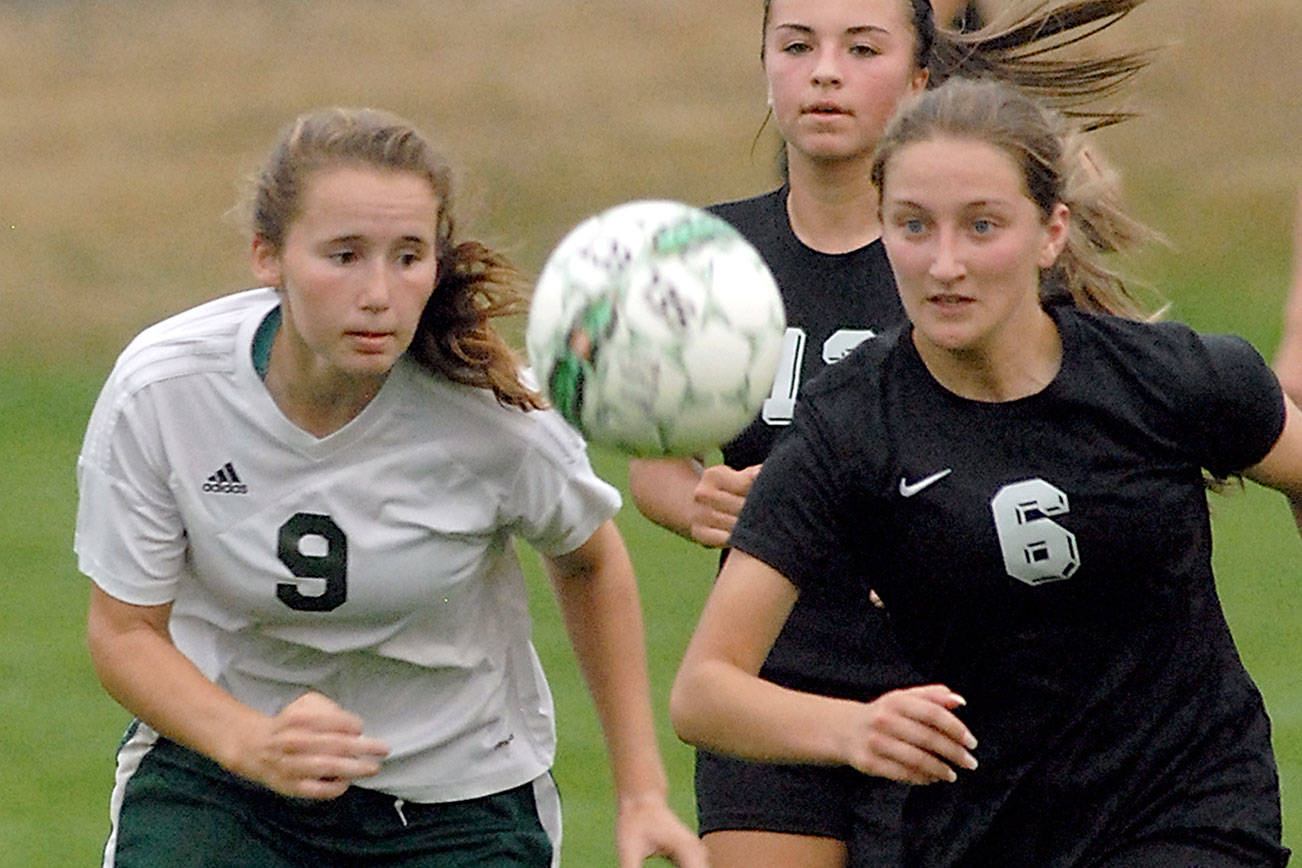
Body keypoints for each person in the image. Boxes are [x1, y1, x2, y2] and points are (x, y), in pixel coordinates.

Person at [670, 77, 1300, 867]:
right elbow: (704, 692)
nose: (945, 264)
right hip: (984, 829)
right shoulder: (850, 428)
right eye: (913, 226)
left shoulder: (1170, 379)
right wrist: (854, 729)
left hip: (1191, 809)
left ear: (1050, 232)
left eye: (981, 227)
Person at [76, 107, 707, 868]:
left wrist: (641, 794)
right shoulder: (166, 390)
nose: (379, 292)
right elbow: (124, 631)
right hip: (221, 779)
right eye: (343, 255)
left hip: (459, 803)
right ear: (267, 256)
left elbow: (591, 561)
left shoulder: (494, 416)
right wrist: (250, 741)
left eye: (408, 257)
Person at [628, 1, 1151, 865]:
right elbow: (654, 467)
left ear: (918, 80)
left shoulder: (959, 262)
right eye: (796, 46)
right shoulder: (706, 254)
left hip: (947, 694)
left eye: (860, 49)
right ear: (764, 61)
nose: (823, 71)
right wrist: (700, 503)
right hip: (770, 683)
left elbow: (1042, 447)